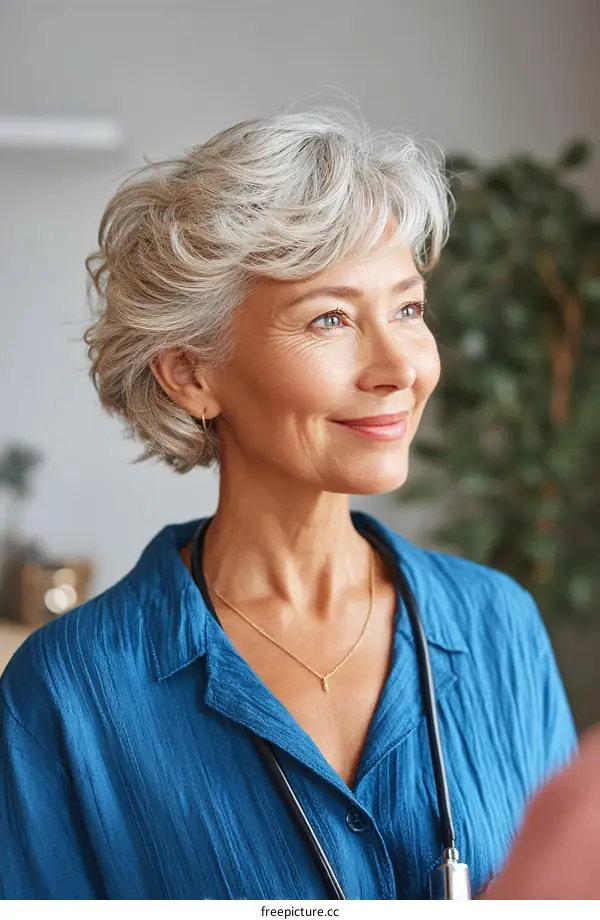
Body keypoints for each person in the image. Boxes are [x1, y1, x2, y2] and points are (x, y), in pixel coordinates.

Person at [0, 107, 580, 899]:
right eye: (330, 318)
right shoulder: (69, 692)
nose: (397, 368)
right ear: (191, 374)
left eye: (408, 309)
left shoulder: (498, 626)